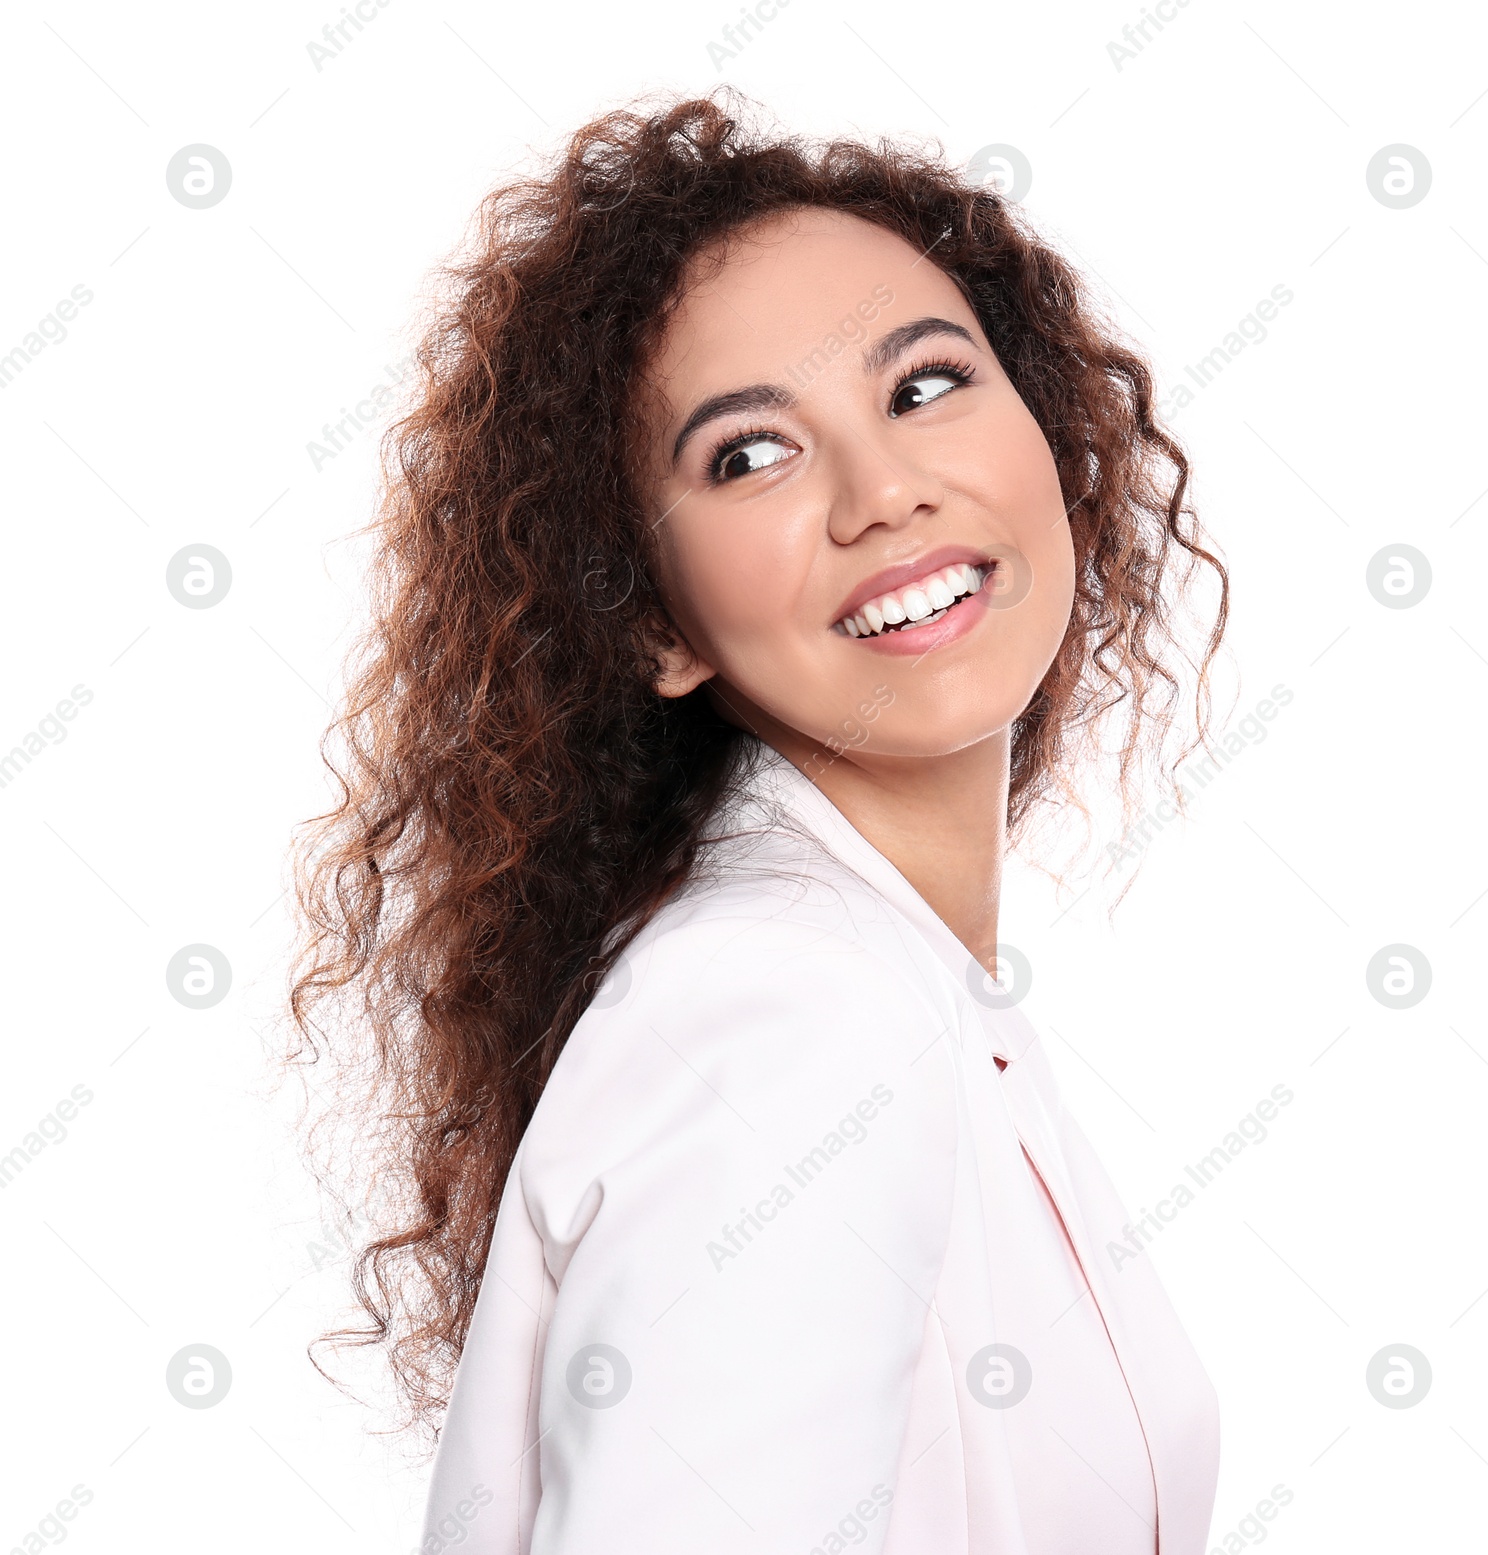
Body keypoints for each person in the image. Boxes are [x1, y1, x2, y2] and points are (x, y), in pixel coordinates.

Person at [288, 89, 1230, 1554]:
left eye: (923, 387)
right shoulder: (791, 1017)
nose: (885, 492)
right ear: (655, 623)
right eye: (748, 455)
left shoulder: (884, 979)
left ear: (1052, 442)